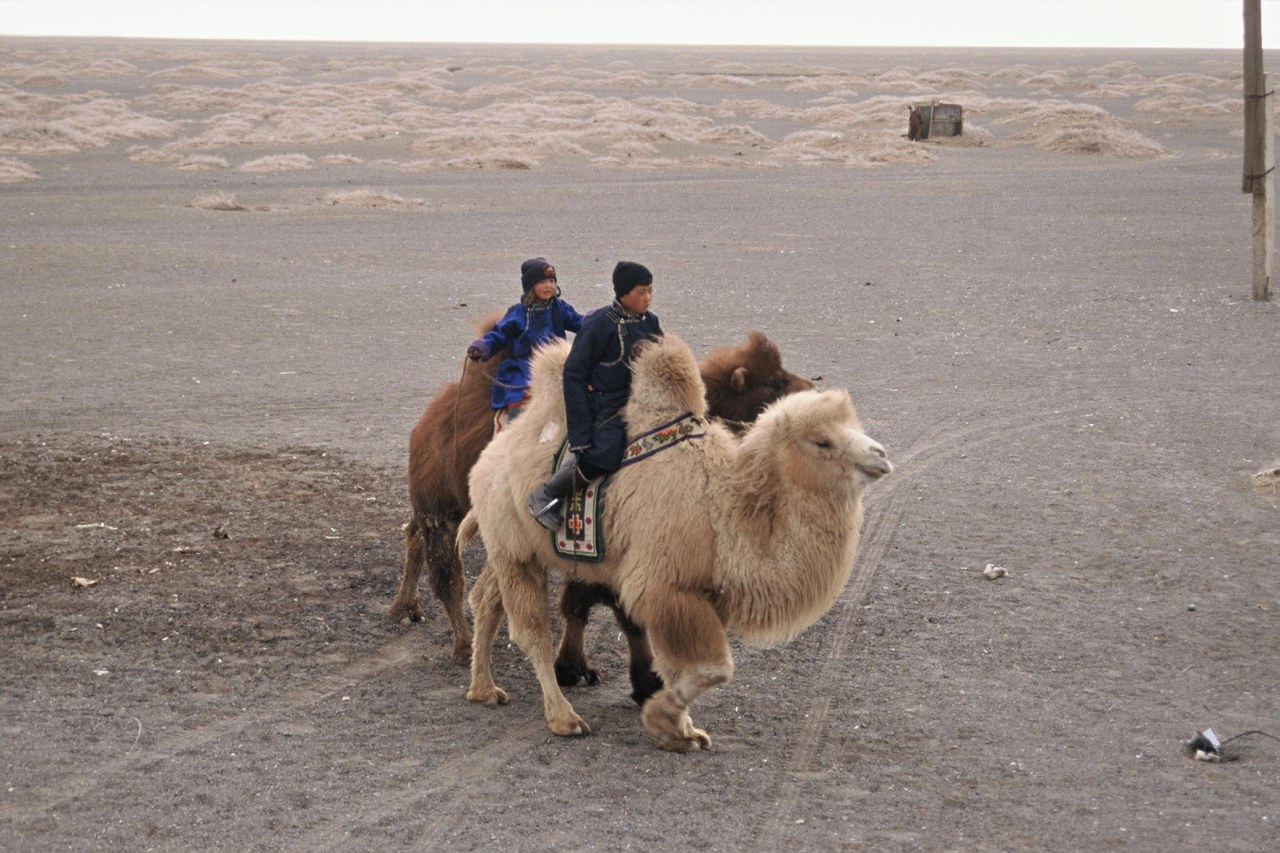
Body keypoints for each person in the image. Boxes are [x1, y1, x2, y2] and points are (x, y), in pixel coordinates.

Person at [528, 260, 663, 530]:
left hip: (642, 400)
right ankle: (547, 494)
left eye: (650, 291)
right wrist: (580, 432)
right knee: (605, 453)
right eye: (641, 292)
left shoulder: (650, 322)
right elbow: (574, 374)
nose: (647, 298)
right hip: (607, 403)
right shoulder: (599, 324)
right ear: (624, 293)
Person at [467, 257, 583, 431]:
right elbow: (499, 334)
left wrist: (598, 322)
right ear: (530, 286)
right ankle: (515, 435)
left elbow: (579, 322)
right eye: (542, 281)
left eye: (552, 281)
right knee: (519, 403)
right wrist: (483, 347)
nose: (549, 286)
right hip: (524, 367)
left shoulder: (560, 308)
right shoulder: (518, 314)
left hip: (555, 365)